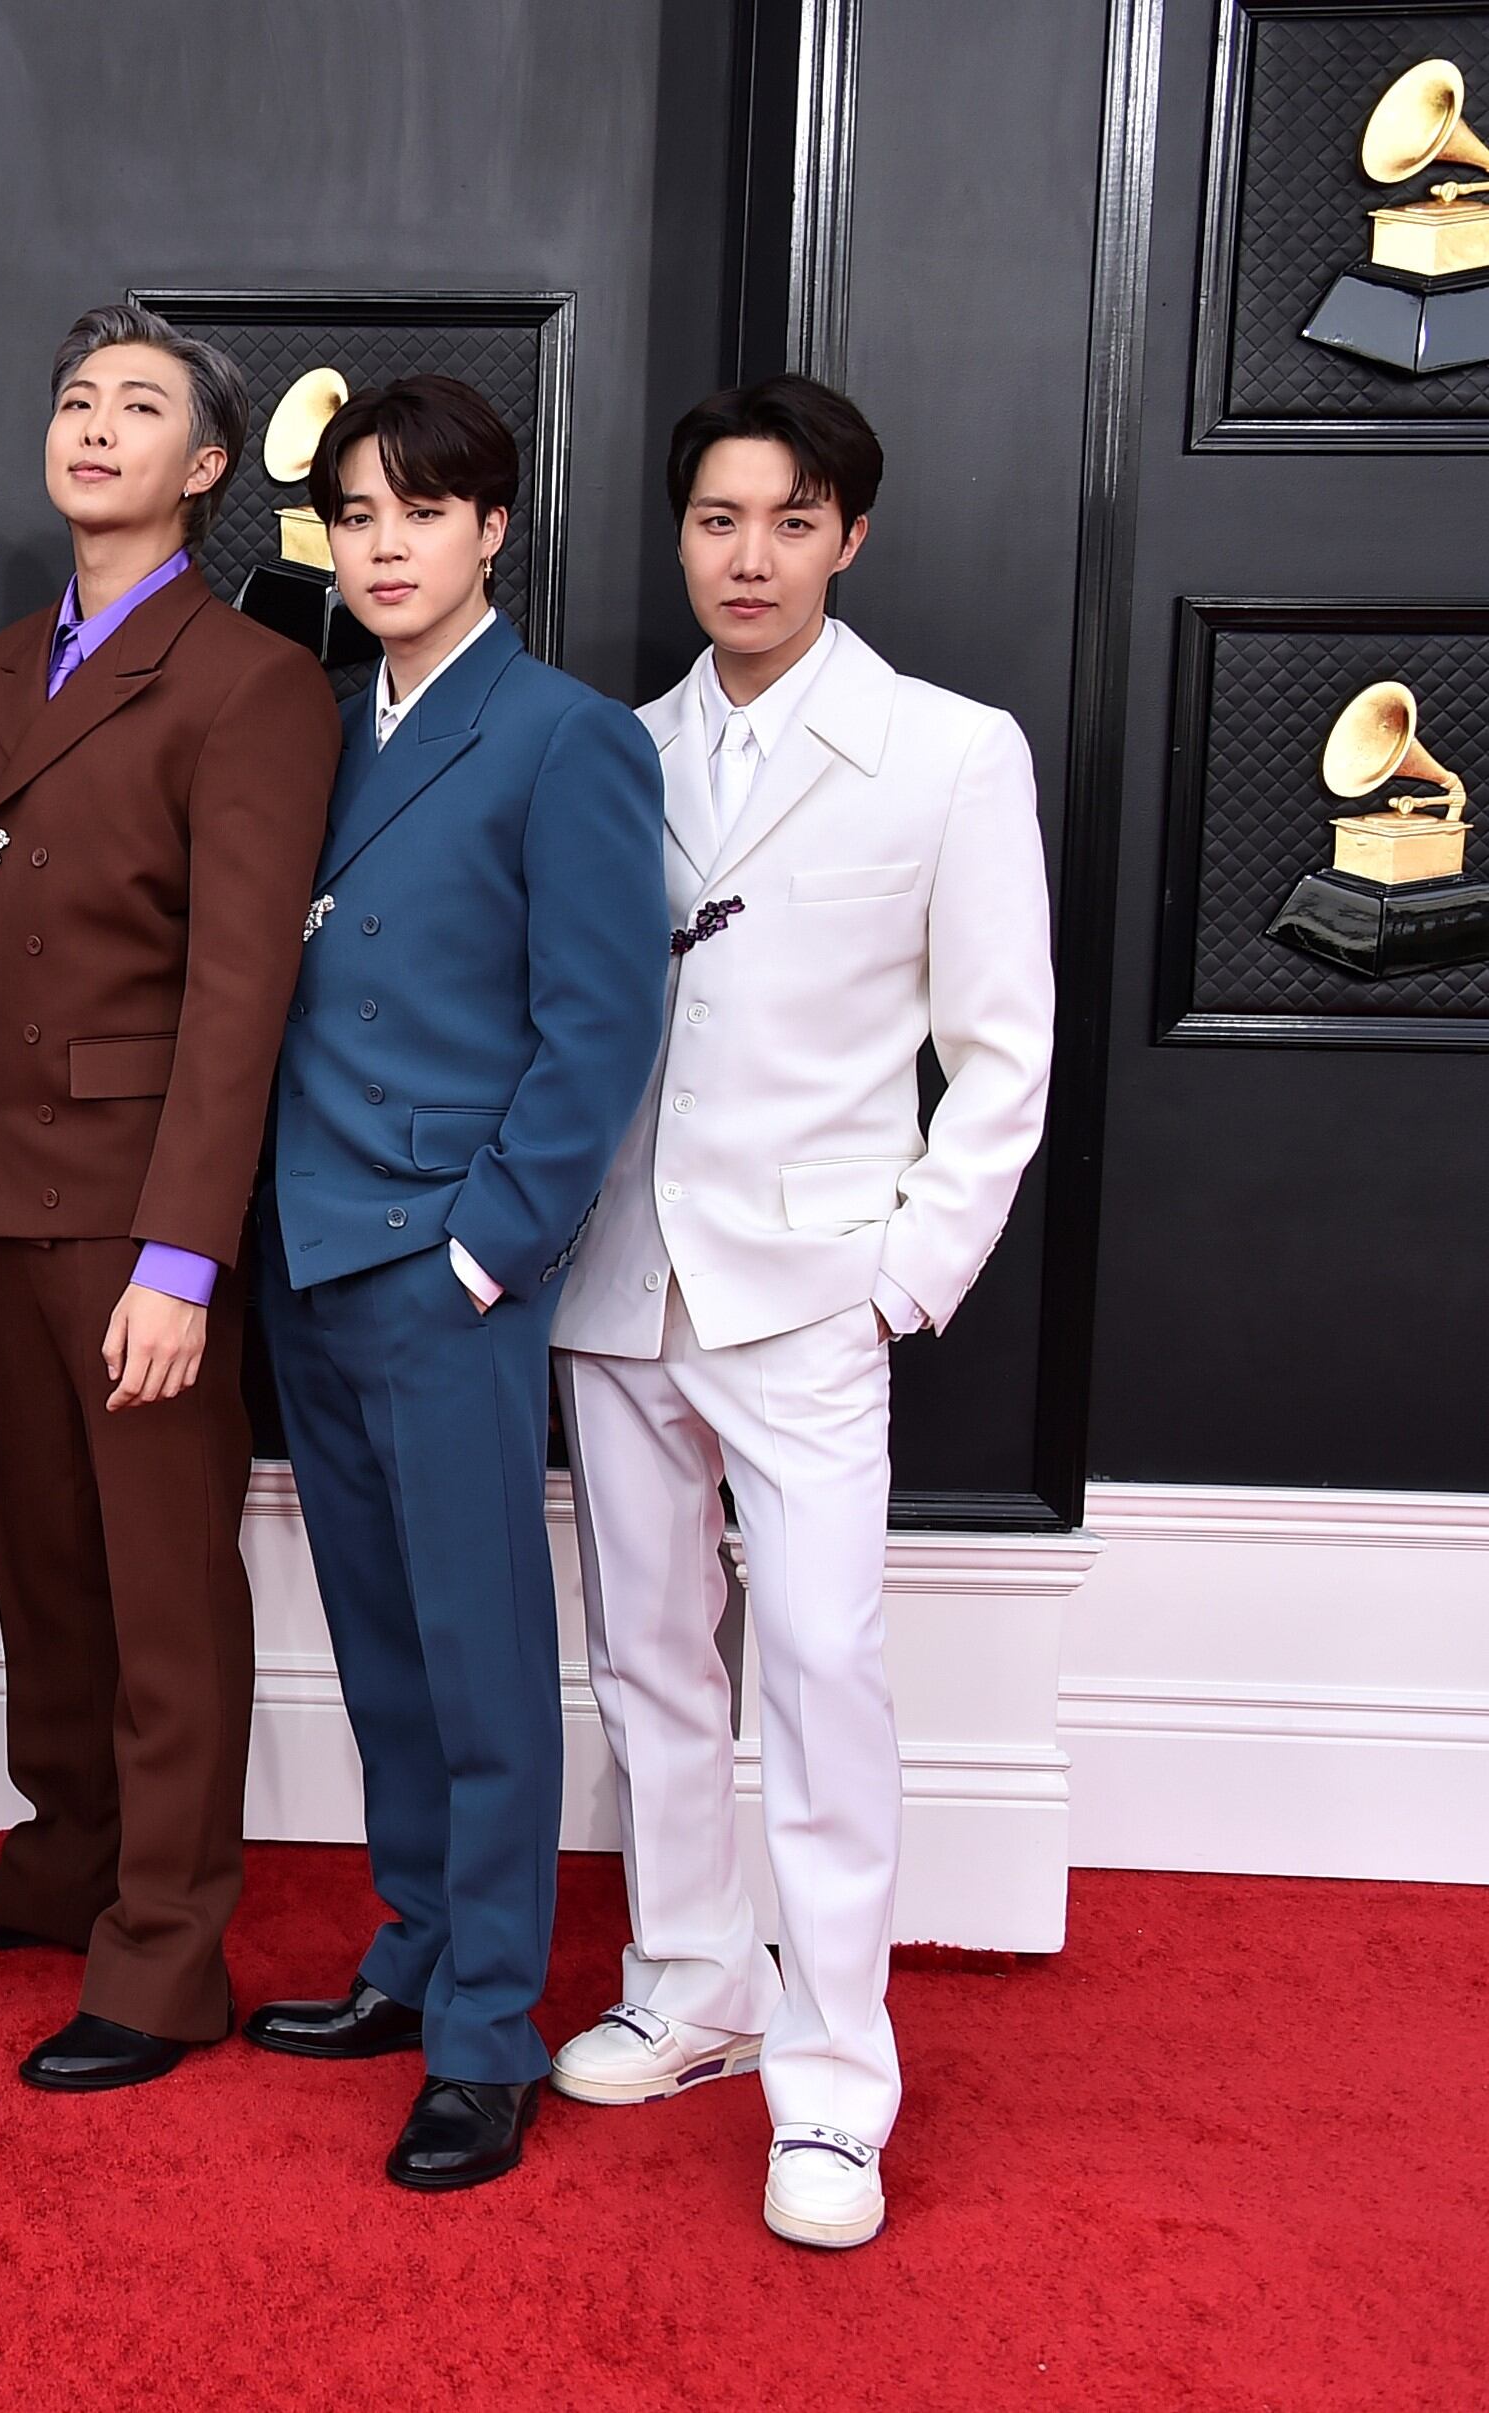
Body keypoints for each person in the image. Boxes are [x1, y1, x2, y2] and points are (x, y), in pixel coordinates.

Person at [547, 375, 1053, 2250]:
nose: (747, 556)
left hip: (814, 1287)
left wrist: (904, 1277)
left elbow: (1004, 1052)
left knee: (824, 1670)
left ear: (850, 535)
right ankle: (692, 1984)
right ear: (678, 535)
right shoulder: (612, 745)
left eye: (788, 521)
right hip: (617, 1279)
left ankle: (834, 2083)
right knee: (649, 1663)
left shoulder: (946, 751)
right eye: (715, 521)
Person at [0, 302, 338, 2091]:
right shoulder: (7, 664)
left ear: (209, 465)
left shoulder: (256, 684)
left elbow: (244, 996)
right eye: (75, 397)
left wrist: (184, 1253)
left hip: (147, 1205)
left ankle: (165, 1953)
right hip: (2, 1192)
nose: (94, 427)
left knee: (166, 1587)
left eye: (140, 405)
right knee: (49, 1569)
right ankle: (65, 1860)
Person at [242, 374, 665, 2190]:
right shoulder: (317, 725)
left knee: (484, 1656)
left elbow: (601, 1026)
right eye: (356, 515)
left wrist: (497, 1243)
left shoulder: (565, 735)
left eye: (422, 510)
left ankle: (490, 2028)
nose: (385, 543)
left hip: (444, 1261)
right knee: (383, 1643)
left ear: (495, 528)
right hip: (305, 1250)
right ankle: (414, 1952)